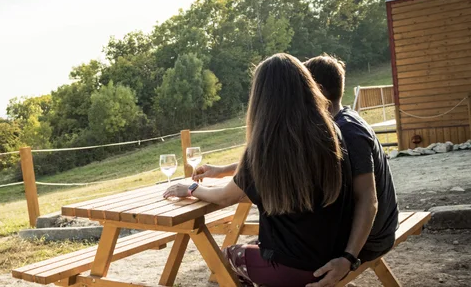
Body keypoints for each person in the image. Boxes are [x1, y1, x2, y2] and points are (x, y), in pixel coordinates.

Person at [164, 53, 354, 286]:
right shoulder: (331, 133)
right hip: (333, 257)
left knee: (224, 261)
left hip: (295, 267)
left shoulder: (265, 148)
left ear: (262, 98)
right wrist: (222, 170)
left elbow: (224, 197)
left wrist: (191, 188)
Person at [302, 55, 399, 287]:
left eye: (303, 88)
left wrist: (347, 258)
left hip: (374, 236)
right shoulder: (338, 123)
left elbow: (368, 200)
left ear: (319, 91)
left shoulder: (349, 132)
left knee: (285, 255)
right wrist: (224, 169)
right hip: (375, 228)